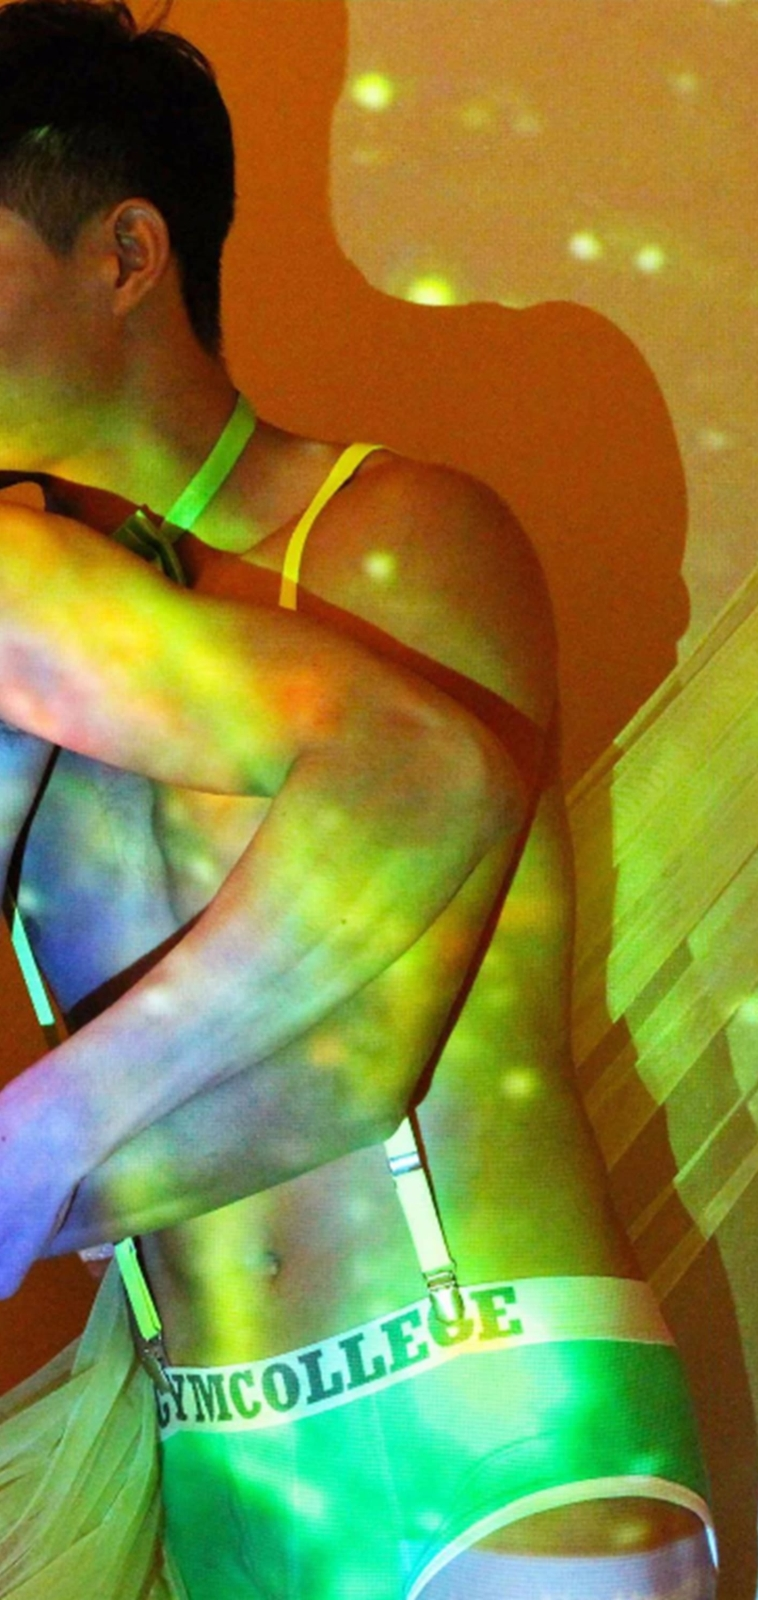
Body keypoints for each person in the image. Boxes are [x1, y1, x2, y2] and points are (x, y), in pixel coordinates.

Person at [0, 3, 717, 1596]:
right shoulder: (31, 617)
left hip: (486, 1429)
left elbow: (352, 1067)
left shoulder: (395, 535)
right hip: (209, 1474)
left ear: (126, 253)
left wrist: (39, 1156)